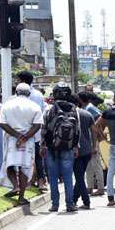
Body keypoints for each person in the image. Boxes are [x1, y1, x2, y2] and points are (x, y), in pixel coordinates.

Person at [0, 83, 43, 206]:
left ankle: (16, 186)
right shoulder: (34, 106)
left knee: (9, 165)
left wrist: (17, 136)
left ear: (16, 92)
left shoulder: (7, 105)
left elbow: (2, 123)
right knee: (25, 168)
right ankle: (21, 197)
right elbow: (37, 125)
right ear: (28, 93)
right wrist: (25, 137)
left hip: (12, 139)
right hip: (28, 141)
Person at [40, 83, 79, 212]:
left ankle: (55, 204)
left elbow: (44, 128)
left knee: (53, 177)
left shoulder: (49, 109)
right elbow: (77, 130)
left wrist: (42, 145)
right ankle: (70, 204)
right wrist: (75, 146)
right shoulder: (74, 109)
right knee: (68, 177)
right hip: (68, 148)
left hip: (51, 148)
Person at [16, 71, 47, 191]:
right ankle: (40, 181)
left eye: (18, 80)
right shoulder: (38, 95)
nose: (16, 82)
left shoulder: (19, 95)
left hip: (23, 131)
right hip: (35, 130)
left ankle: (27, 182)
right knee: (37, 158)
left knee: (23, 158)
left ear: (22, 81)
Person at [72, 94, 97, 210]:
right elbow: (94, 131)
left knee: (79, 177)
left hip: (74, 149)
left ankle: (86, 201)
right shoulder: (87, 114)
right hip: (87, 149)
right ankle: (74, 199)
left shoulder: (70, 114)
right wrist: (94, 146)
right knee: (80, 175)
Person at [78, 92, 104, 196]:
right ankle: (90, 187)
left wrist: (98, 136)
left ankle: (101, 188)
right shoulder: (85, 108)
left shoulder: (90, 108)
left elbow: (100, 118)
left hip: (93, 140)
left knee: (96, 164)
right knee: (88, 165)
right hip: (87, 140)